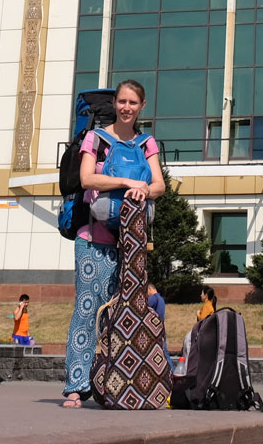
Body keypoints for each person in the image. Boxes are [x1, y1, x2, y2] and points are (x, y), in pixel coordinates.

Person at [62, 78, 165, 409]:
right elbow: (87, 178)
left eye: (133, 103)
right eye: (122, 101)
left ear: (141, 107)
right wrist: (127, 181)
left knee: (125, 313)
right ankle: (76, 386)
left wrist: (144, 190)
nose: (127, 107)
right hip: (93, 241)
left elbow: (160, 184)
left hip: (130, 245)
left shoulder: (147, 143)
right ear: (115, 104)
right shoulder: (97, 138)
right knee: (87, 310)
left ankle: (113, 382)